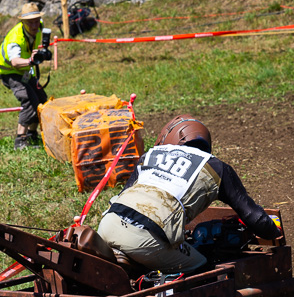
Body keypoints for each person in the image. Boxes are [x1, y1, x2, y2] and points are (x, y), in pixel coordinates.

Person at [97, 116, 282, 274]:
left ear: (167, 137)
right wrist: (274, 232)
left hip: (107, 225)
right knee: (203, 267)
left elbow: (123, 195)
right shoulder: (217, 167)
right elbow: (254, 217)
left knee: (151, 249)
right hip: (147, 238)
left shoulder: (150, 155)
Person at [0, 2, 51, 150]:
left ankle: (33, 135)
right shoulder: (16, 38)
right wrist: (29, 61)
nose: (34, 25)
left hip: (26, 70)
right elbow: (14, 62)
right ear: (23, 22)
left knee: (41, 100)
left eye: (36, 21)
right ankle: (20, 140)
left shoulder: (40, 26)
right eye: (30, 22)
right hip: (10, 72)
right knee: (29, 101)